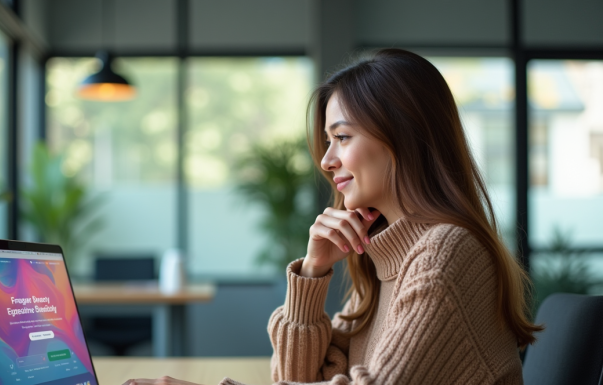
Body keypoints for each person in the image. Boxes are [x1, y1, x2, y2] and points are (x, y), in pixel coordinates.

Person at [123, 48, 542, 385]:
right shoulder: (382, 257)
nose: (326, 160)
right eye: (328, 140)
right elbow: (295, 377)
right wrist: (312, 272)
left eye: (342, 137)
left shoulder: (444, 254)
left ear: (404, 136)